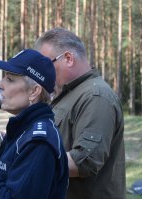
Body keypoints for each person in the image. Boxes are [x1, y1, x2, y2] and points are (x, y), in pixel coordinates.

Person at [0, 49, 69, 199]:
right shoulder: (22, 131)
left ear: (34, 91)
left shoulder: (38, 142)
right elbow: (6, 186)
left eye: (10, 79)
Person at [34, 28, 126, 199]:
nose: (42, 74)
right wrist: (8, 142)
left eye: (46, 65)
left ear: (68, 59)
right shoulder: (68, 94)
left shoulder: (96, 96)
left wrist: (27, 162)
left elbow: (84, 161)